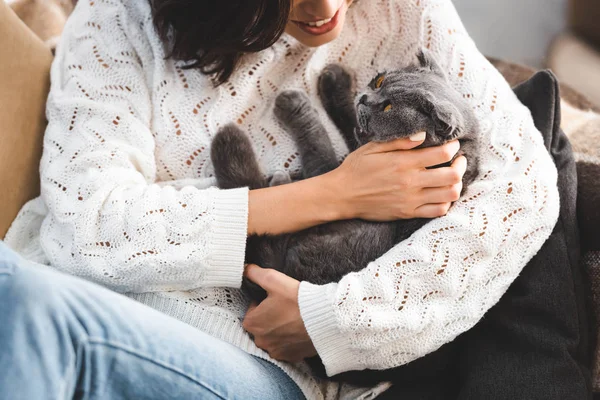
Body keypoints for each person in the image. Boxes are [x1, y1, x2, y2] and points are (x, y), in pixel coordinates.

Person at [0, 0, 581, 398]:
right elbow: (88, 223)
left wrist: (335, 320)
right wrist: (335, 193)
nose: (327, 7)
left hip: (245, 359)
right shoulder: (118, 19)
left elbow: (522, 192)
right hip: (79, 292)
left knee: (25, 306)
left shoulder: (404, 12)